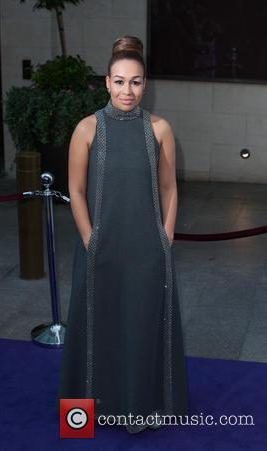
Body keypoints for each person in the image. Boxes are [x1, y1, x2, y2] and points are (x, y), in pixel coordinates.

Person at [57, 35, 189, 434]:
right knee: (96, 326)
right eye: (119, 81)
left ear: (145, 84)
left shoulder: (160, 129)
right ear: (106, 82)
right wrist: (89, 238)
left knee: (143, 324)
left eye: (135, 82)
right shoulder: (87, 128)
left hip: (148, 249)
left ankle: (142, 407)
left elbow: (169, 188)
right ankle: (87, 415)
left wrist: (165, 239)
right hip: (101, 248)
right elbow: (75, 191)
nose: (126, 90)